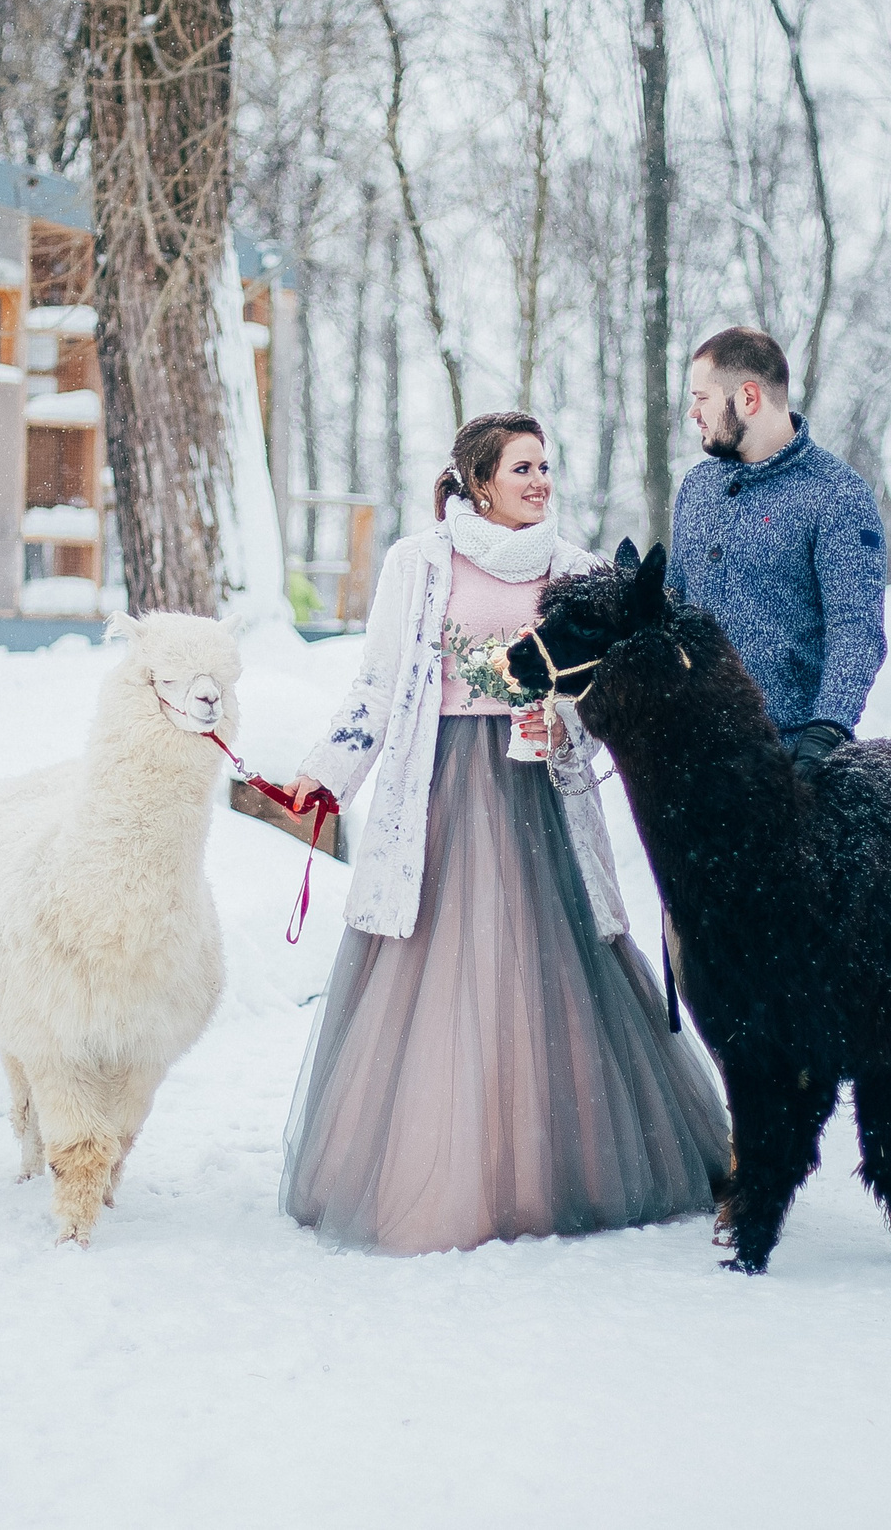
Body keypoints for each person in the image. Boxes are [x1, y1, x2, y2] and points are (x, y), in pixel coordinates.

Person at [280, 412, 729, 1255]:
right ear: (478, 480)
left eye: (546, 466)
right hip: (440, 790)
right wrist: (326, 770)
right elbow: (376, 688)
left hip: (540, 799)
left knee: (547, 976)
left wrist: (567, 726)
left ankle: (554, 1172)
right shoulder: (417, 565)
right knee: (442, 980)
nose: (540, 481)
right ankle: (442, 1174)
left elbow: (611, 694)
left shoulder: (580, 570)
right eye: (522, 467)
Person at [673, 326, 889, 772]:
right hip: (696, 757)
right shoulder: (697, 488)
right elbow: (672, 608)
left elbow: (856, 631)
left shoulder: (837, 495)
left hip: (791, 761)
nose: (693, 412)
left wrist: (826, 732)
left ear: (748, 398)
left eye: (702, 397)